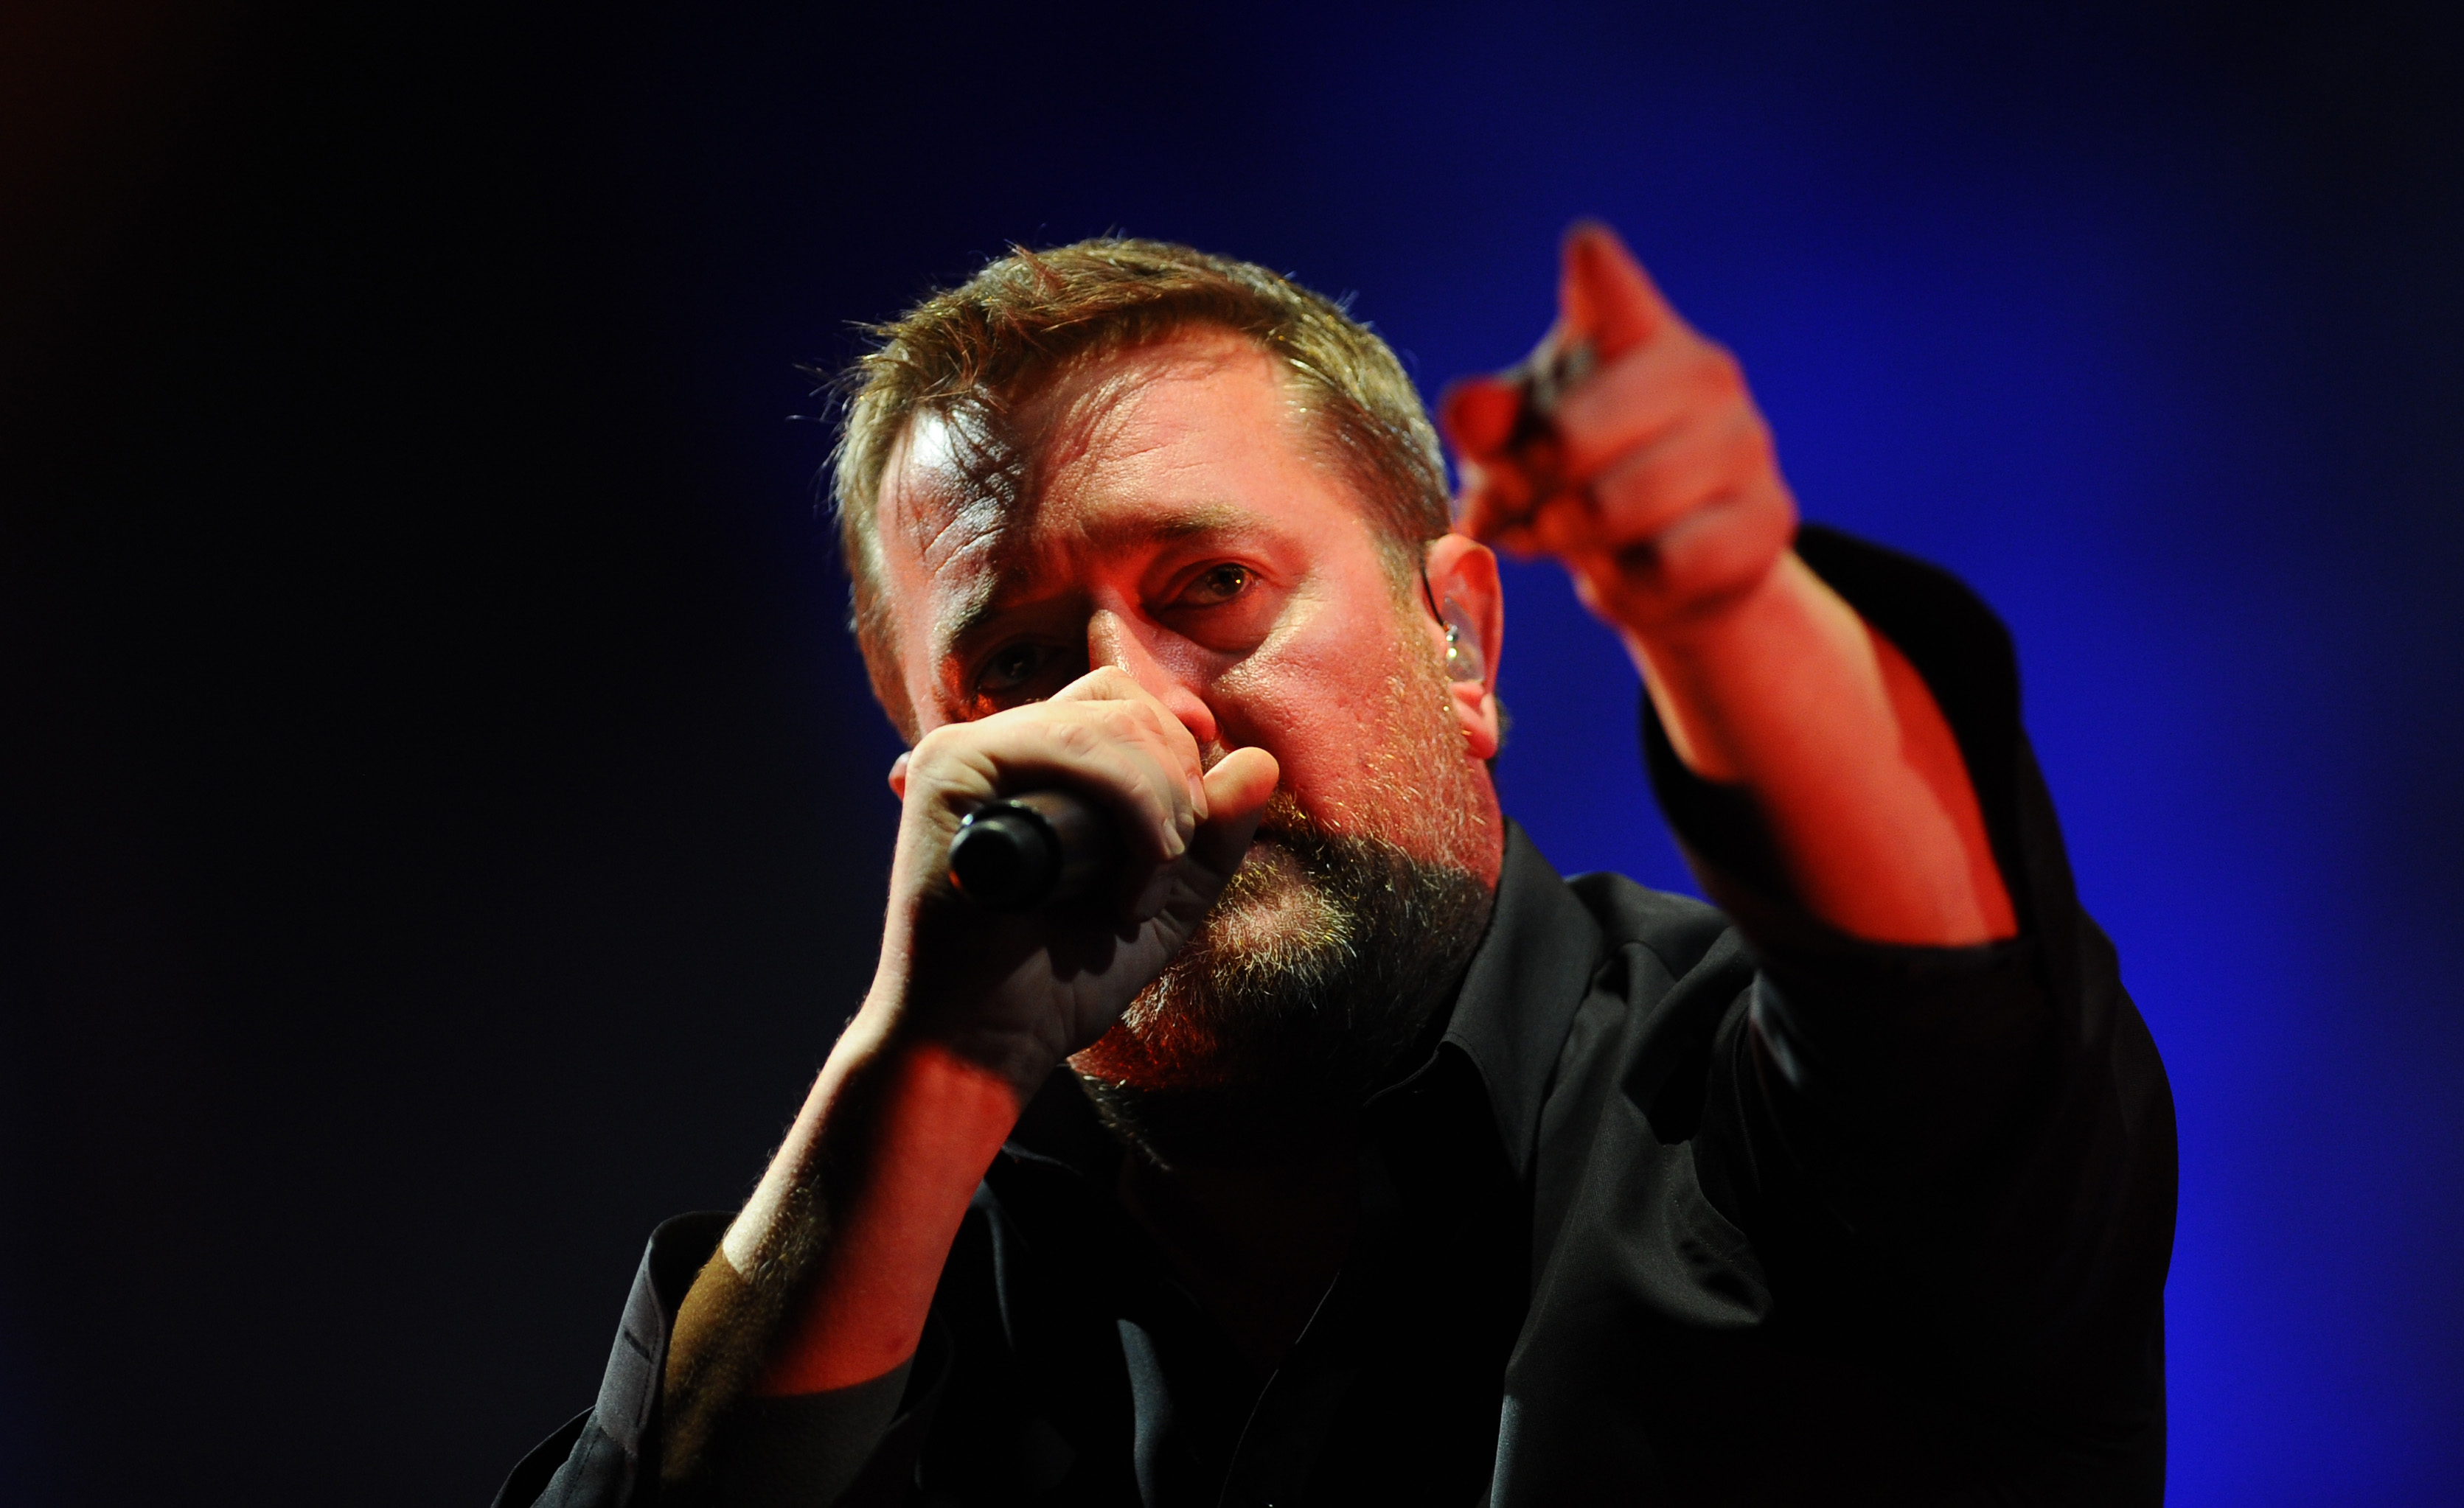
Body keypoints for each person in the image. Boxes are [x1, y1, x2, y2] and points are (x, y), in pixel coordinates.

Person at [496, 226, 2176, 1507]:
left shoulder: (1754, 1117)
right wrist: (925, 1064)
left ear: (1458, 636)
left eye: (1211, 585)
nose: (1126, 705)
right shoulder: (904, 1300)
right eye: (1014, 664)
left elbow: (1935, 989)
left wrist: (1725, 602)